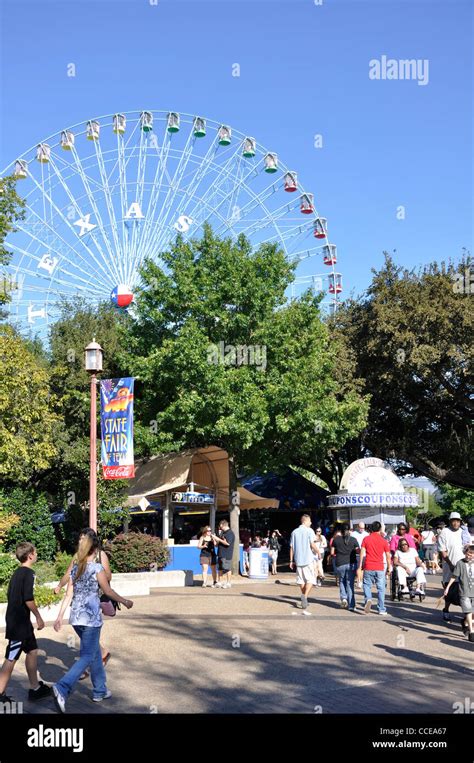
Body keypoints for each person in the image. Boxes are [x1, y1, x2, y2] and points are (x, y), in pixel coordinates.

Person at [52, 531, 133, 713]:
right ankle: (62, 687)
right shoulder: (97, 569)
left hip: (76, 618)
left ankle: (99, 690)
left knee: (95, 653)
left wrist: (59, 617)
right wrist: (125, 601)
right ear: (95, 549)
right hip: (91, 620)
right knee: (88, 656)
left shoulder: (76, 568)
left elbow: (69, 594)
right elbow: (109, 591)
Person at [55, 528, 112, 676]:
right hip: (80, 602)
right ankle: (100, 657)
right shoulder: (76, 556)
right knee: (87, 635)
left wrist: (94, 572)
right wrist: (60, 585)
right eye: (79, 538)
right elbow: (69, 574)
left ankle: (87, 667)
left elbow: (109, 576)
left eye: (83, 538)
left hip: (95, 599)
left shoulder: (100, 555)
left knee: (88, 635)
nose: (80, 541)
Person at [0, 543, 52, 706]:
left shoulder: (17, 573)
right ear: (30, 555)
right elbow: (28, 598)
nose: (36, 555)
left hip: (20, 622)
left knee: (32, 651)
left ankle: (35, 689)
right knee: (12, 656)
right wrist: (38, 617)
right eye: (35, 552)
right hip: (19, 623)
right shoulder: (29, 573)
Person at [357, 522, 391, 615]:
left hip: (368, 565)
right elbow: (388, 556)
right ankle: (381, 609)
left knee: (367, 585)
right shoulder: (383, 541)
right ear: (380, 529)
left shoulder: (366, 539)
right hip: (379, 567)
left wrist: (360, 566)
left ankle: (368, 599)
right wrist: (389, 567)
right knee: (381, 589)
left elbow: (362, 553)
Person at [289, 515, 319, 615]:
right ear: (305, 521)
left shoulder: (294, 532)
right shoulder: (310, 531)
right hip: (308, 559)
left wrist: (291, 560)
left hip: (298, 560)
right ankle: (305, 596)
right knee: (311, 579)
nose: (310, 523)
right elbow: (312, 544)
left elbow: (291, 547)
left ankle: (303, 597)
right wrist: (318, 551)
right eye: (310, 521)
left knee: (301, 580)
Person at [444, 545, 474, 642]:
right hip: (464, 591)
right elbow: (454, 576)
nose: (469, 556)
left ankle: (464, 622)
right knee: (468, 611)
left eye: (472, 555)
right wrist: (447, 588)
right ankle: (472, 631)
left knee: (472, 613)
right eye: (468, 554)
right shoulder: (460, 563)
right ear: (465, 553)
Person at [331, 523, 358, 611]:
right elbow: (358, 550)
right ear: (349, 530)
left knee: (342, 581)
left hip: (340, 563)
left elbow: (332, 553)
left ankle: (344, 598)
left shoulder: (336, 540)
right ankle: (351, 605)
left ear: (340, 531)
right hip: (351, 563)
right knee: (350, 584)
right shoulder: (353, 540)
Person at [438, 512, 465, 588]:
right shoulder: (444, 532)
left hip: (463, 568)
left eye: (458, 521)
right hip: (450, 568)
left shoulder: (463, 532)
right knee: (450, 594)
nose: (456, 523)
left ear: (460, 522)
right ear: (450, 522)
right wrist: (450, 565)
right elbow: (442, 551)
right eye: (454, 521)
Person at [214, 520, 235, 589]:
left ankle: (228, 583)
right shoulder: (223, 533)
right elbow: (218, 544)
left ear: (223, 525)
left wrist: (218, 539)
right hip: (220, 553)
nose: (219, 527)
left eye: (220, 525)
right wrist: (215, 539)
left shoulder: (230, 533)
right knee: (220, 568)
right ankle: (219, 582)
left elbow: (228, 543)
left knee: (227, 568)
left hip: (227, 554)